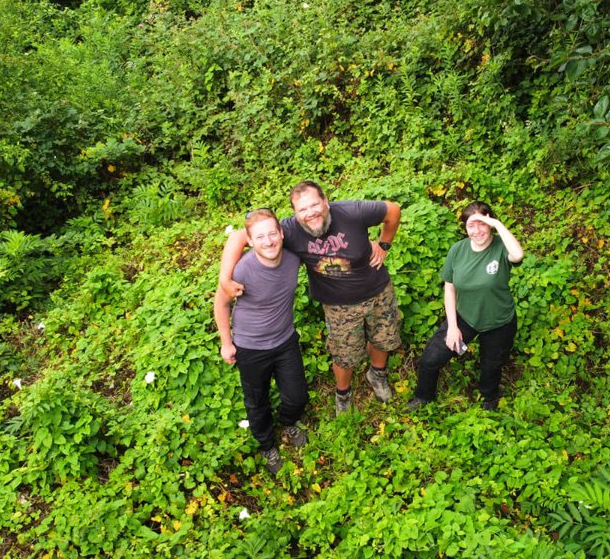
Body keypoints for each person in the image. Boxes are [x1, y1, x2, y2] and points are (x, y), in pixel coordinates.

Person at [220, 182, 402, 416]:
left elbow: (393, 210)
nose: (310, 213)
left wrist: (384, 244)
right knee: (343, 354)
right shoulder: (290, 229)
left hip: (378, 291)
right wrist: (225, 279)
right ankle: (343, 394)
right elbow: (238, 236)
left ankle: (377, 375)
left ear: (326, 202)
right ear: (295, 214)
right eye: (302, 210)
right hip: (338, 305)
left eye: (315, 205)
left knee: (382, 338)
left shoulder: (353, 211)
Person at [214, 209, 308, 475]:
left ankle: (288, 422)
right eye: (260, 237)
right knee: (257, 402)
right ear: (250, 241)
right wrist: (226, 343)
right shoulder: (241, 270)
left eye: (272, 234)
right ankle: (268, 445)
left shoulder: (292, 258)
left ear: (281, 234)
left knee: (297, 395)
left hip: (285, 340)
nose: (268, 241)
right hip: (250, 348)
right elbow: (220, 305)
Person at [409, 202, 524, 411]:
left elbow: (518, 255)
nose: (477, 231)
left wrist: (497, 224)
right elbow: (450, 289)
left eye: (482, 224)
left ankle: (488, 399)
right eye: (471, 225)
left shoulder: (501, 247)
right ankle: (423, 397)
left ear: (490, 223)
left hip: (499, 320)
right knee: (430, 358)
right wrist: (453, 327)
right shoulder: (458, 250)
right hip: (465, 317)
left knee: (491, 366)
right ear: (465, 228)